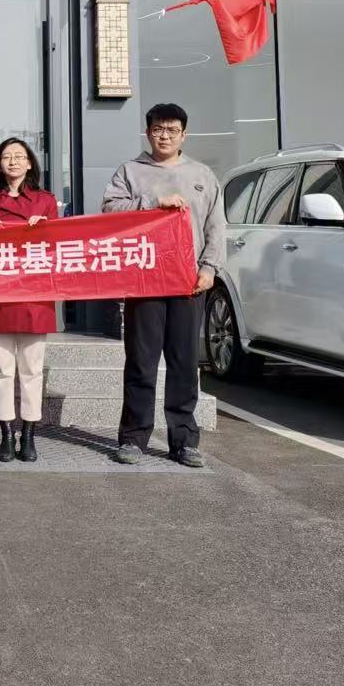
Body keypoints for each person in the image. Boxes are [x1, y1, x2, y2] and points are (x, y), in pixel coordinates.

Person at [101, 102, 225, 468]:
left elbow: (216, 226)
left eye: (172, 130)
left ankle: (184, 441)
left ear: (184, 134)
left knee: (184, 363)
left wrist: (210, 267)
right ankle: (133, 437)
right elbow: (109, 211)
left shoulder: (202, 175)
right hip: (144, 281)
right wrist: (154, 202)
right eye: (158, 129)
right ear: (148, 132)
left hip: (188, 282)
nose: (164, 136)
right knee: (141, 361)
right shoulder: (130, 171)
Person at [0, 137, 60, 464]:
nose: (13, 161)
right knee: (1, 371)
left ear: (29, 163)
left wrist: (45, 229)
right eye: (6, 156)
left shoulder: (45, 201)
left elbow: (58, 247)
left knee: (32, 370)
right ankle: (6, 434)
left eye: (19, 156)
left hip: (34, 296)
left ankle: (30, 433)